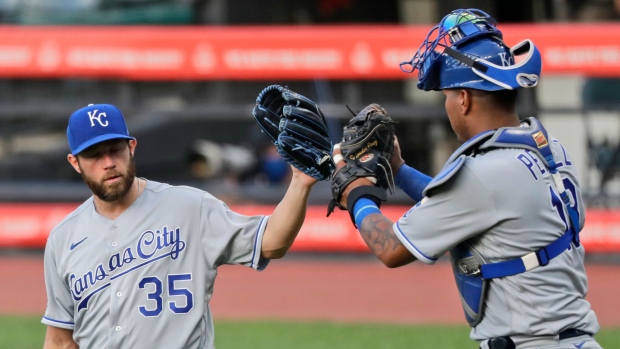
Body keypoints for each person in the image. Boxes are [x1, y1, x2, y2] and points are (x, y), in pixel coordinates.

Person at [333, 9, 602, 349]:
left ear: (464, 99)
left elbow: (392, 249)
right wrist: (398, 169)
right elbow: (463, 203)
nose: (447, 105)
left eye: (446, 95)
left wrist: (355, 192)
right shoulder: (548, 149)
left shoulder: (484, 173)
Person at [41, 103, 317, 348]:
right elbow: (60, 340)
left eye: (115, 150)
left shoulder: (189, 207)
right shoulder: (63, 238)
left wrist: (299, 183)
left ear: (132, 147)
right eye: (94, 155)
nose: (109, 163)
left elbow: (271, 242)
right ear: (75, 163)